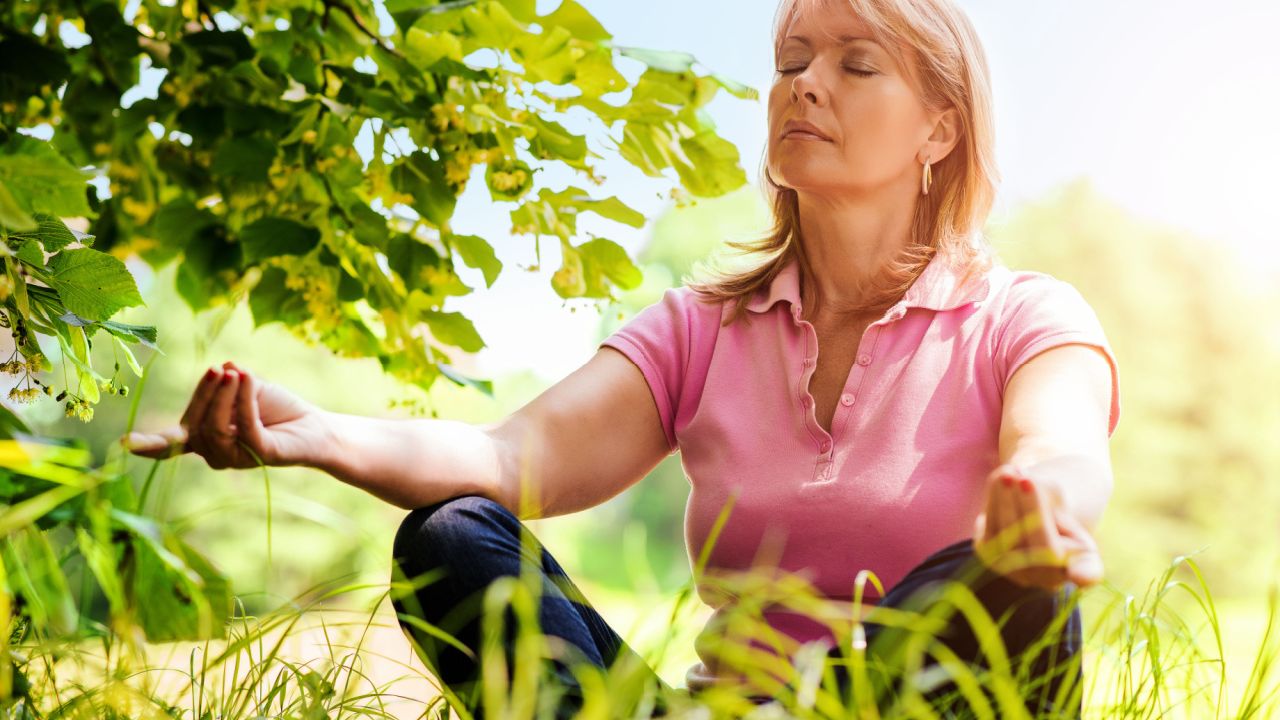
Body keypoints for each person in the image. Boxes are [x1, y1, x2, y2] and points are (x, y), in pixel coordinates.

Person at [122, 0, 1121, 716]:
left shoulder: (1020, 315)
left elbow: (1062, 444)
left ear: (938, 128)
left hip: (885, 703)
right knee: (453, 536)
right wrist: (310, 434)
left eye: (854, 64)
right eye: (791, 59)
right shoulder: (701, 326)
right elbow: (512, 460)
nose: (802, 84)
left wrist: (1039, 496)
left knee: (1015, 583)